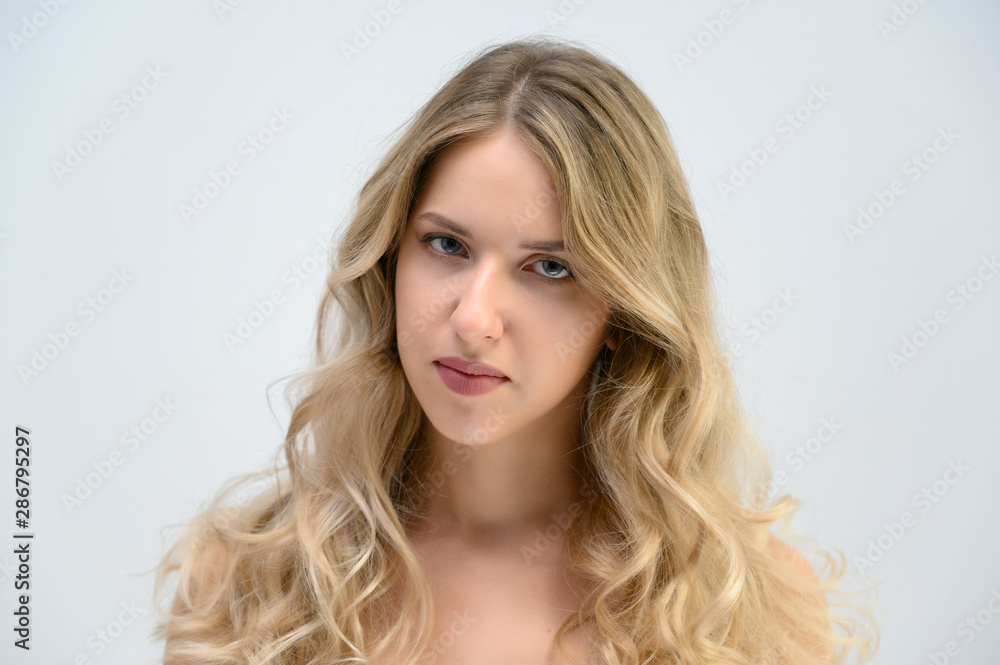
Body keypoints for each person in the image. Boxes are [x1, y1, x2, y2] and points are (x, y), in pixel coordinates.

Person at [153, 36, 881, 664]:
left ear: (624, 312)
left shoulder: (742, 610)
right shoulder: (252, 585)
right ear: (389, 262)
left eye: (551, 267)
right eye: (447, 244)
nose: (474, 319)